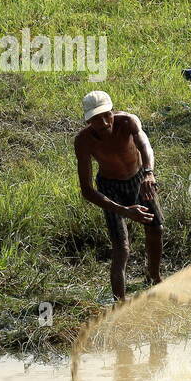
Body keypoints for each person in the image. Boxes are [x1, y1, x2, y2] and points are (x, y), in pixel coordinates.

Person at [73, 90, 163, 301]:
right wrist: (123, 211)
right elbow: (87, 190)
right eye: (96, 119)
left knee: (156, 228)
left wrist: (148, 174)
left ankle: (154, 276)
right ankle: (119, 303)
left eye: (107, 115)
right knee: (121, 249)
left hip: (139, 180)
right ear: (88, 120)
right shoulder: (83, 141)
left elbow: (145, 146)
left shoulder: (128, 122)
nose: (104, 123)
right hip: (110, 188)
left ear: (113, 111)